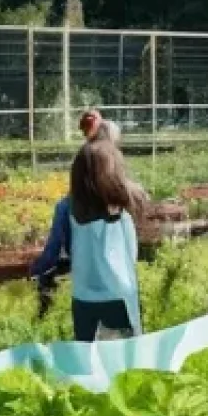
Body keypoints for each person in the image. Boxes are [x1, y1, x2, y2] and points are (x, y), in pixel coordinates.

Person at [66, 138, 141, 341]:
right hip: (117, 296)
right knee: (123, 363)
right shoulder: (118, 207)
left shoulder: (73, 209)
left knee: (89, 363)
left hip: (82, 298)